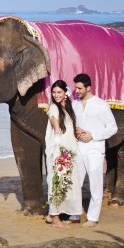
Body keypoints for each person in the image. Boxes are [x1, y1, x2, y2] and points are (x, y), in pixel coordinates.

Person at [72, 72, 118, 227]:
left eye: (79, 88)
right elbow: (72, 123)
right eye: (75, 88)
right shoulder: (74, 104)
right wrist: (76, 130)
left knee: (95, 183)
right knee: (75, 182)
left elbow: (113, 128)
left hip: (95, 149)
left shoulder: (101, 105)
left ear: (88, 87)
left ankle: (92, 217)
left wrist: (93, 135)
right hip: (78, 148)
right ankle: (74, 214)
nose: (77, 91)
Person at [45, 79, 82, 227]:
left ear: (65, 92)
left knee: (66, 182)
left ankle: (50, 215)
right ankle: (55, 218)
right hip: (60, 149)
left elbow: (70, 126)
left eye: (59, 92)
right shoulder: (54, 108)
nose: (56, 95)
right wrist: (59, 150)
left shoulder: (68, 107)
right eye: (54, 92)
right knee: (57, 182)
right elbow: (56, 128)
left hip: (70, 147)